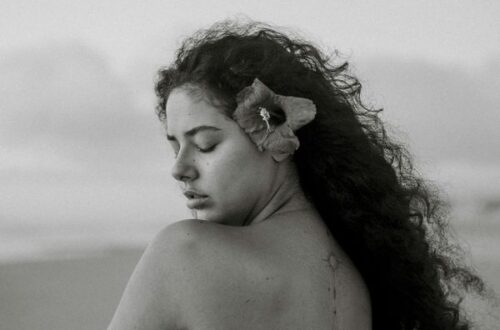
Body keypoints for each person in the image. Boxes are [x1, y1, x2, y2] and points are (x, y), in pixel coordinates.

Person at [108, 20, 485, 329]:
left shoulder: (184, 252)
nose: (179, 169)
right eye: (175, 146)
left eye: (205, 145)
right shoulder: (354, 283)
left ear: (276, 137)